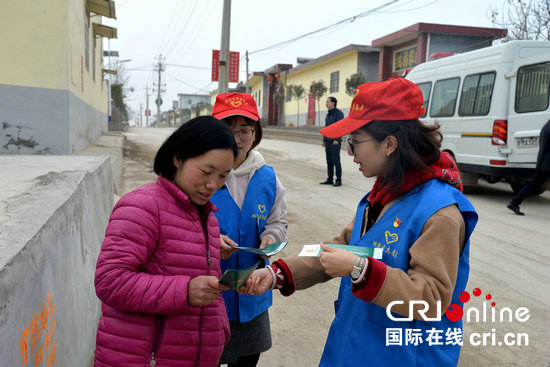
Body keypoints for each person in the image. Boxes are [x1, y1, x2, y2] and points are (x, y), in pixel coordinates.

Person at [240, 79, 478, 366]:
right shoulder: (382, 195)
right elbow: (339, 247)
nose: (350, 152)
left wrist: (359, 269)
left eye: (355, 142)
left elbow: (431, 298)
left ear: (389, 144)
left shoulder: (439, 214)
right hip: (356, 345)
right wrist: (279, 273)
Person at [94, 116, 237, 367]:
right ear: (178, 158)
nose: (213, 184)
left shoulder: (207, 217)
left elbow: (209, 280)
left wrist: (219, 327)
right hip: (143, 358)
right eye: (206, 171)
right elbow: (110, 282)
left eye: (224, 176)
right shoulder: (142, 206)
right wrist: (185, 291)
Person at [210, 92, 288, 367]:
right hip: (209, 293)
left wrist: (270, 238)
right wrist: (211, 240)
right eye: (228, 131)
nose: (237, 139)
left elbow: (278, 221)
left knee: (247, 359)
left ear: (256, 134)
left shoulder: (268, 177)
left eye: (245, 130)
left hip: (251, 291)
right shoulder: (202, 172)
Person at [507, 119, 550, 215]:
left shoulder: (546, 126)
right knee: (533, 185)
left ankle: (514, 203)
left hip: (542, 162)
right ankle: (514, 202)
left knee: (533, 185)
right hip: (547, 164)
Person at [320, 96, 344, 186]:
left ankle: (338, 180)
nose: (326, 103)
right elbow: (327, 128)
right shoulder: (328, 114)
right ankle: (330, 179)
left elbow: (340, 127)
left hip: (335, 141)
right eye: (326, 102)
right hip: (328, 141)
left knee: (336, 161)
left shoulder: (339, 113)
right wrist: (324, 140)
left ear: (333, 103)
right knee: (329, 161)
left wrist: (337, 139)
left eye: (328, 101)